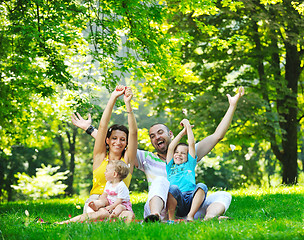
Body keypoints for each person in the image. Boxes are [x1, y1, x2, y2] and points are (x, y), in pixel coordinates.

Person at [73, 87, 245, 222]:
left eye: (160, 132)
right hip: (159, 208)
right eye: (152, 136)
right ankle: (157, 217)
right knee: (162, 181)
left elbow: (217, 136)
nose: (156, 137)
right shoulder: (146, 158)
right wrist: (90, 129)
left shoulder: (186, 154)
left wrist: (232, 106)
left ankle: (208, 218)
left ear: (171, 135)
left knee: (223, 195)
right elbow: (118, 144)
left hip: (185, 205)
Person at [61, 85, 138, 223]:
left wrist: (128, 104)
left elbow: (133, 133)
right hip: (97, 200)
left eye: (122, 139)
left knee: (121, 219)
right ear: (107, 140)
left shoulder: (127, 160)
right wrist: (113, 97)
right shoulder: (100, 157)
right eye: (114, 138)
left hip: (117, 204)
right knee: (96, 219)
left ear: (126, 143)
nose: (118, 142)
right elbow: (103, 126)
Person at [59, 160, 133, 224]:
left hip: (121, 205)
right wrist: (99, 203)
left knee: (120, 207)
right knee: (101, 201)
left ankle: (114, 214)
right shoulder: (109, 183)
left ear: (114, 174)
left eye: (106, 170)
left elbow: (119, 201)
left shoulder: (121, 186)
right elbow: (104, 195)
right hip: (110, 203)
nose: (104, 173)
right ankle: (96, 207)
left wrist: (111, 207)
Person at [166, 119, 208, 221]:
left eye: (183, 153)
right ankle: (171, 219)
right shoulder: (170, 165)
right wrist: (182, 133)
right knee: (172, 188)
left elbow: (192, 144)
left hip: (191, 198)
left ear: (187, 156)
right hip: (177, 199)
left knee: (202, 186)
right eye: (177, 152)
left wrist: (188, 127)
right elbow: (171, 148)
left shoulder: (189, 164)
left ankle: (190, 216)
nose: (179, 155)